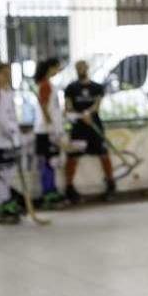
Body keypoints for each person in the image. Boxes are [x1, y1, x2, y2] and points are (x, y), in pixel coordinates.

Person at [64, 60, 115, 203]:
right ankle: (69, 188)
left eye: (83, 67)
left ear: (87, 68)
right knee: (72, 157)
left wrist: (88, 113)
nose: (81, 69)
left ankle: (111, 185)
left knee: (104, 154)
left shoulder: (97, 87)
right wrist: (80, 115)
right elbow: (68, 106)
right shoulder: (71, 88)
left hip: (94, 126)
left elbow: (97, 105)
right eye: (78, 67)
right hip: (79, 128)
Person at [33, 58, 67, 209]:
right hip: (46, 131)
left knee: (52, 162)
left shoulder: (49, 84)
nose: (58, 71)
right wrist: (51, 127)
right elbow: (44, 106)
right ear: (50, 68)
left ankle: (52, 190)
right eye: (57, 68)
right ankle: (48, 193)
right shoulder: (45, 85)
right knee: (48, 162)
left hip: (50, 129)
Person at [0, 63, 22, 224]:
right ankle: (3, 204)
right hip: (2, 141)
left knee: (7, 173)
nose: (7, 77)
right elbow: (2, 119)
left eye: (9, 73)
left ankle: (6, 201)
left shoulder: (7, 93)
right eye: (4, 74)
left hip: (8, 141)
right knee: (1, 175)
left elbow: (11, 117)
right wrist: (12, 133)